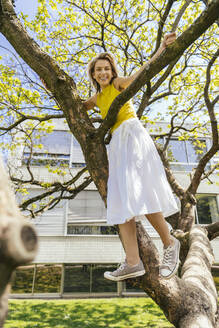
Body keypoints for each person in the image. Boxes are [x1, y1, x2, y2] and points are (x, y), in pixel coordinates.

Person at [84, 33, 180, 281]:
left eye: (106, 68)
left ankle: (170, 243)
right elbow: (76, 105)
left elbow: (142, 72)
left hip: (133, 137)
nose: (103, 72)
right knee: (123, 201)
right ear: (93, 75)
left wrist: (160, 48)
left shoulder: (118, 85)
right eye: (98, 70)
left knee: (141, 194)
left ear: (112, 71)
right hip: (117, 144)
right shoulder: (97, 98)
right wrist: (49, 86)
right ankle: (133, 262)